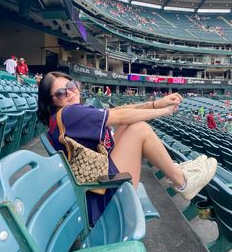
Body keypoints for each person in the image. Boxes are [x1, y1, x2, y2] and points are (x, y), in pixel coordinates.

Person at [38, 72, 217, 226]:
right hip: (103, 198)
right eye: (61, 93)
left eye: (70, 85)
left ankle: (177, 171)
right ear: (51, 101)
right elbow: (121, 115)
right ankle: (183, 182)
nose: (69, 92)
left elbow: (121, 111)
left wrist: (156, 104)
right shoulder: (70, 113)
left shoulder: (63, 116)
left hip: (96, 188)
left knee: (132, 124)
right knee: (139, 129)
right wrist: (164, 111)